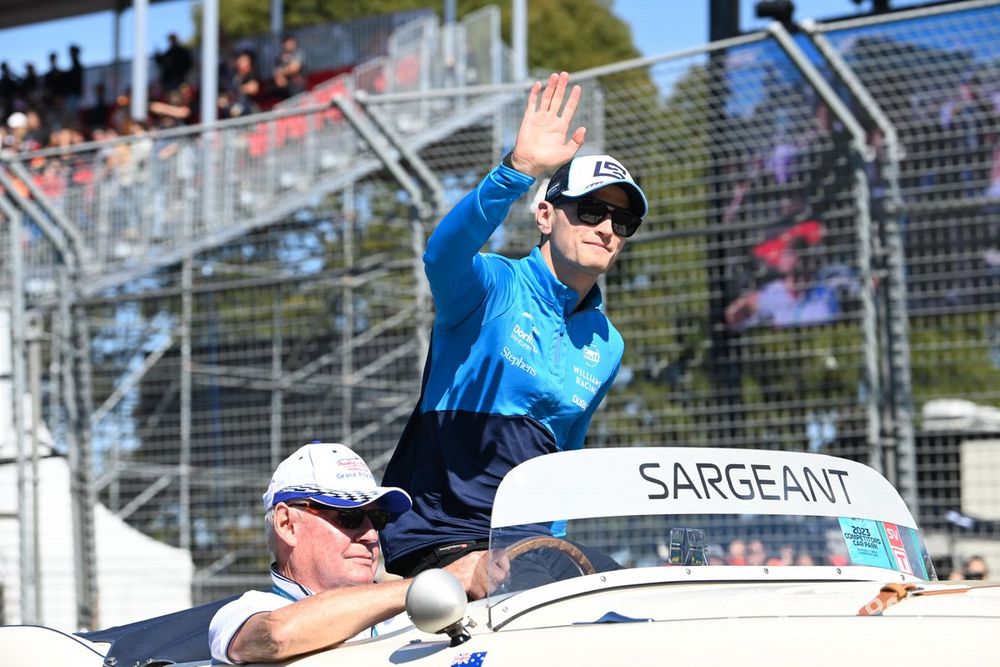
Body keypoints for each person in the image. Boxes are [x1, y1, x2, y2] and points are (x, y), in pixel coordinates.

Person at [380, 72, 649, 577]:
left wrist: (560, 551)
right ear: (546, 215)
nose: (607, 229)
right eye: (592, 210)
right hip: (440, 540)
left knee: (632, 593)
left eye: (623, 222)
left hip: (525, 548)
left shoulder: (607, 343)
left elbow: (564, 454)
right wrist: (518, 169)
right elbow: (441, 255)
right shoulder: (493, 287)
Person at [208, 442, 500, 664]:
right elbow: (275, 636)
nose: (371, 534)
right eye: (349, 517)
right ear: (287, 524)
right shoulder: (246, 611)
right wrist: (436, 583)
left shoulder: (403, 616)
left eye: (378, 519)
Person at [272, 35, 307, 99]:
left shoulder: (299, 54)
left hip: (298, 89)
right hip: (285, 92)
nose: (288, 45)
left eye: (290, 43)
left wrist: (281, 72)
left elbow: (294, 69)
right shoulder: (279, 58)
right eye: (286, 43)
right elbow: (279, 81)